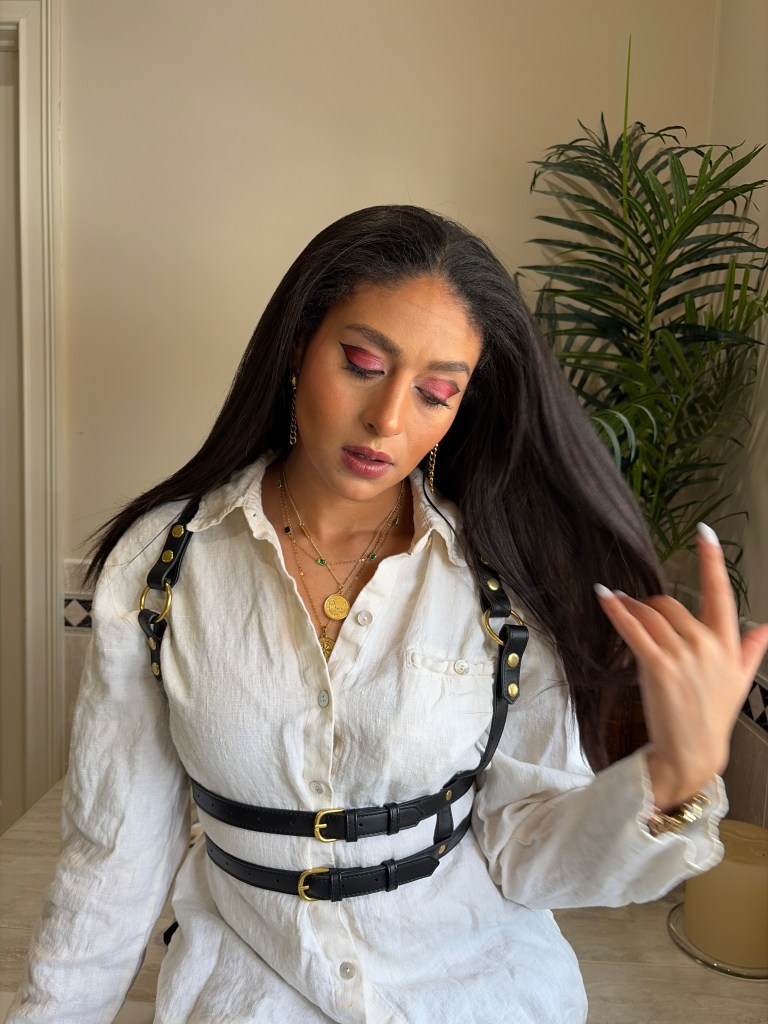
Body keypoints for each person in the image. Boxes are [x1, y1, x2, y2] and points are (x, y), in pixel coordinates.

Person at [6, 206, 767, 1024]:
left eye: (437, 392)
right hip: (251, 997)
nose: (390, 420)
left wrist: (674, 779)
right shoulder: (163, 566)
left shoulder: (499, 579)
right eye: (363, 364)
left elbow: (528, 855)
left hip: (479, 993)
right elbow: (113, 855)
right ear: (297, 346)